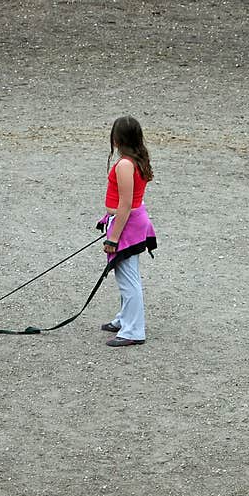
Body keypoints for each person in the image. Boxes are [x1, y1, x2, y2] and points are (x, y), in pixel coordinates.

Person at [99, 115, 157, 347]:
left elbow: (124, 205)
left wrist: (113, 238)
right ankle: (125, 319)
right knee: (126, 275)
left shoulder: (124, 164)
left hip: (127, 224)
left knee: (128, 279)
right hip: (131, 220)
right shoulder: (136, 160)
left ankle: (133, 331)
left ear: (116, 139)